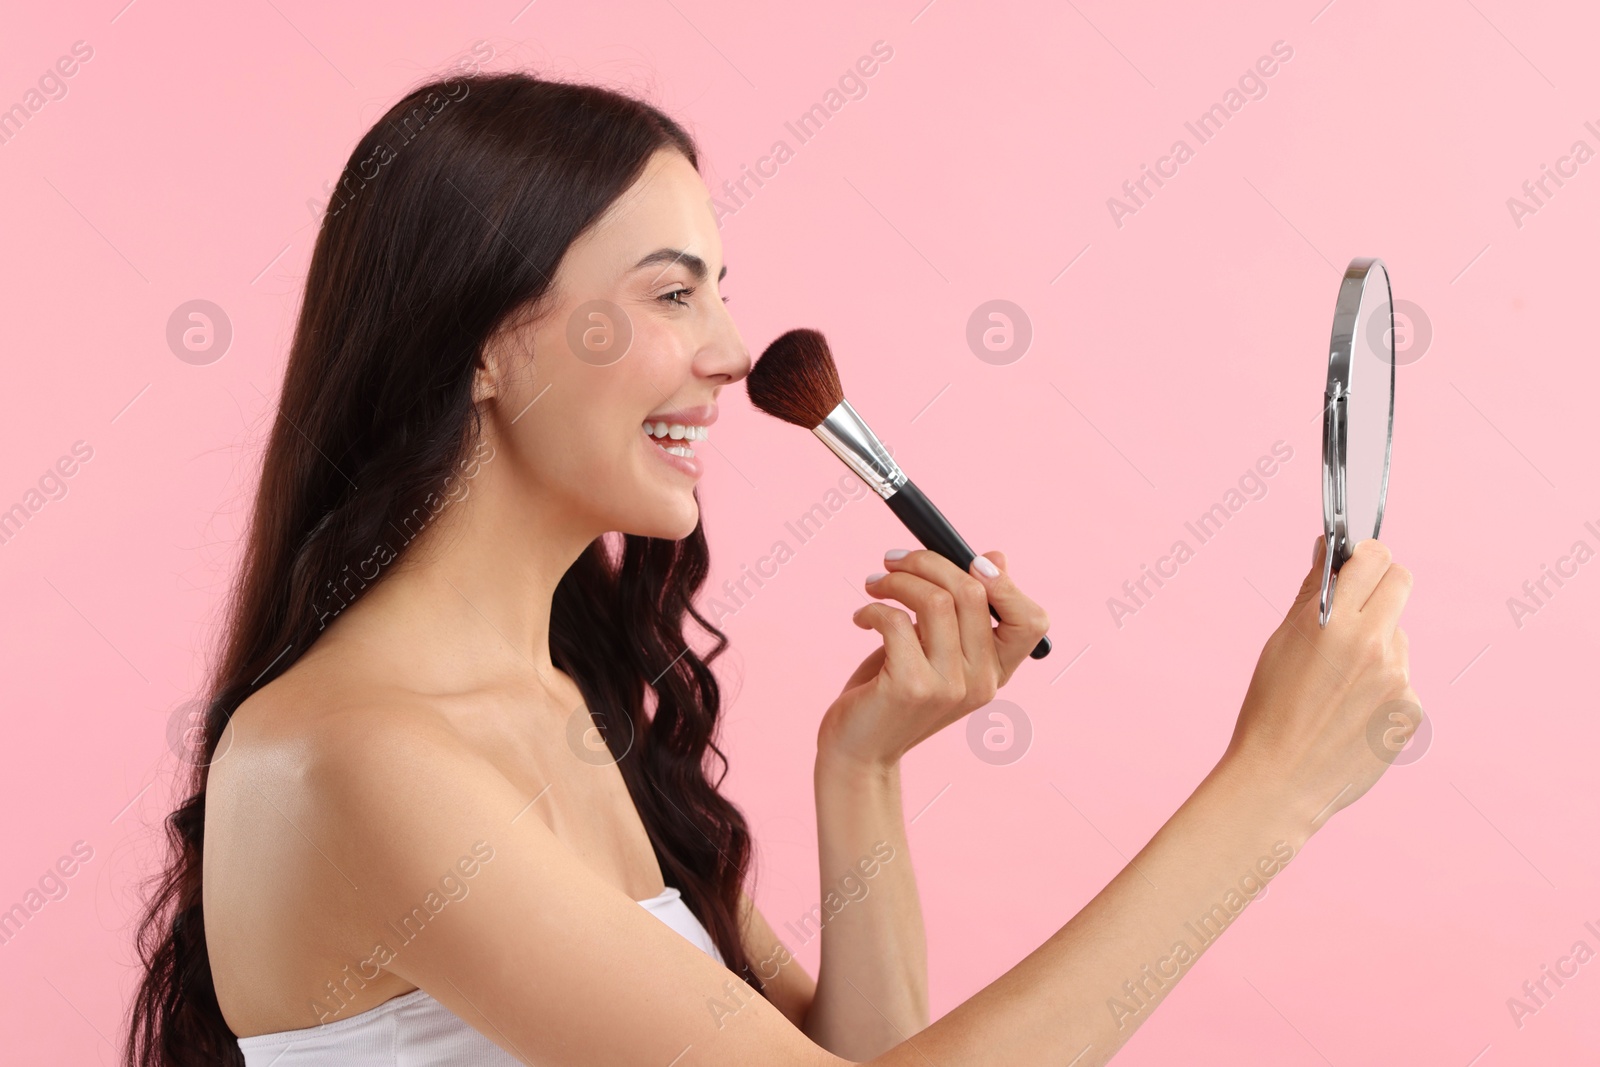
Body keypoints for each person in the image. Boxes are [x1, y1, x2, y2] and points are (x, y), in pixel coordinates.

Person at [123, 71, 1418, 1067]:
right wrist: (1275, 788)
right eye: (673, 293)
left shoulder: (573, 711)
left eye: (722, 291)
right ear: (483, 341)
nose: (737, 349)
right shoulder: (349, 755)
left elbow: (849, 1058)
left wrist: (860, 767)